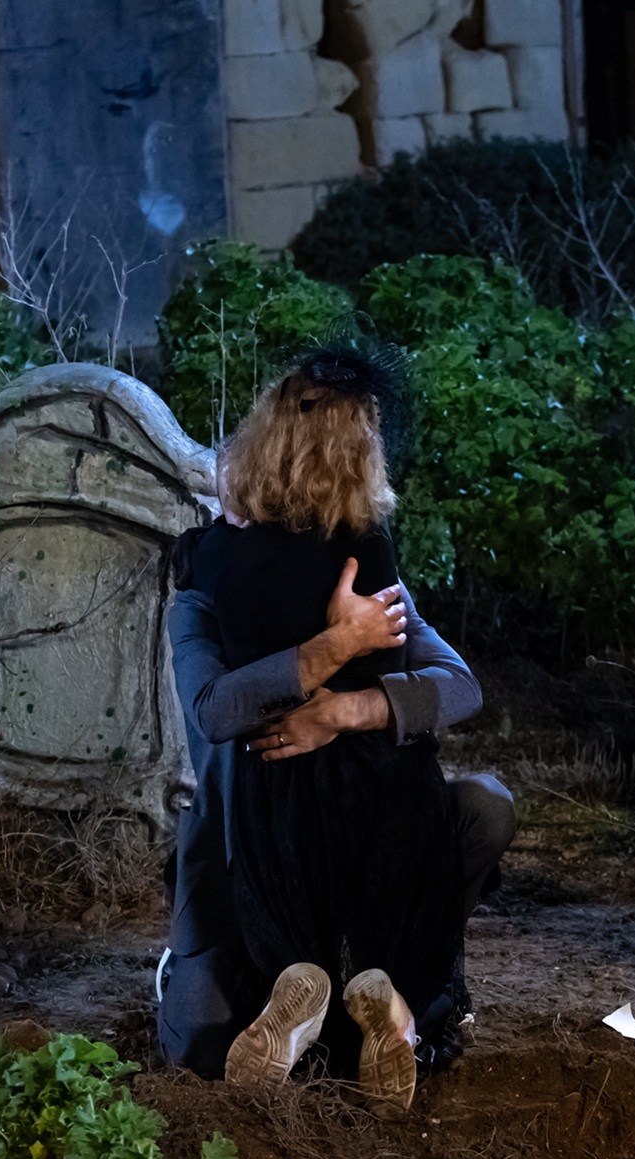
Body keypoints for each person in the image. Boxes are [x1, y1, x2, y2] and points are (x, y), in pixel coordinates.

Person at [156, 349, 516, 1117]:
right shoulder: (222, 593)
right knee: (200, 1043)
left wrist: (343, 711)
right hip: (269, 836)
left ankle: (343, 993)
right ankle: (386, 992)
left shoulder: (221, 563)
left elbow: (460, 684)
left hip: (274, 826)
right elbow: (212, 710)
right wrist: (340, 645)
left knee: (470, 813)